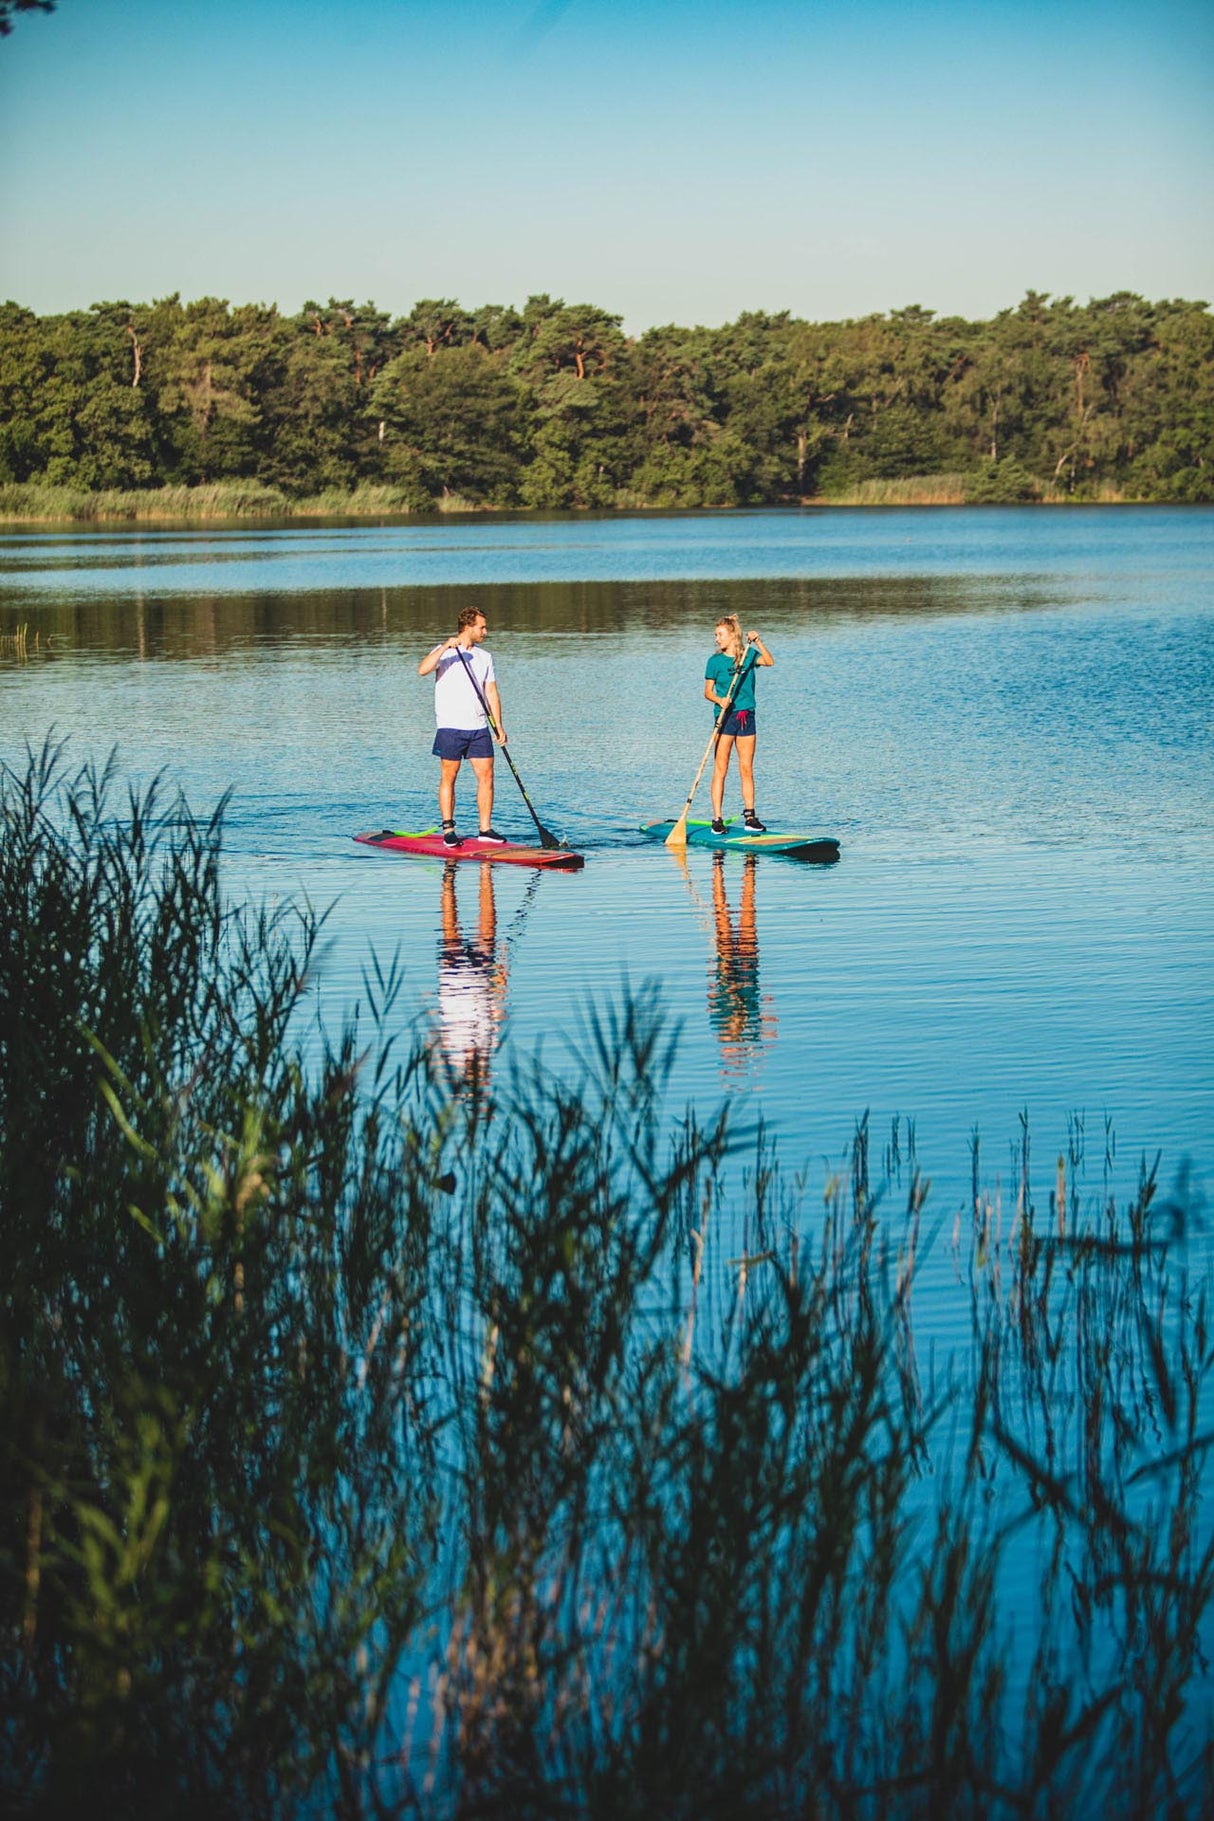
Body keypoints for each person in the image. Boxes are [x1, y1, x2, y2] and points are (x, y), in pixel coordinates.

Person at [418, 607, 507, 846]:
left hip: (479, 727)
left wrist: (499, 725)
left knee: (487, 776)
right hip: (450, 726)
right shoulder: (444, 652)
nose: (485, 632)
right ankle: (449, 829)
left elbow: (491, 691)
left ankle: (485, 829)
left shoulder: (485, 657)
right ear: (468, 627)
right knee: (449, 776)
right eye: (482, 627)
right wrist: (445, 646)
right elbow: (422, 670)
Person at [704, 614, 774, 835]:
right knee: (721, 769)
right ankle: (717, 820)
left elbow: (770, 661)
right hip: (725, 718)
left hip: (746, 716)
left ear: (733, 635)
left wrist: (758, 640)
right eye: (716, 635)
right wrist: (720, 700)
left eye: (720, 634)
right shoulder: (714, 662)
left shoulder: (748, 655)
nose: (717, 639)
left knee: (746, 769)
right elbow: (707, 692)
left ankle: (750, 817)